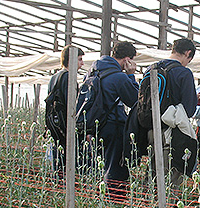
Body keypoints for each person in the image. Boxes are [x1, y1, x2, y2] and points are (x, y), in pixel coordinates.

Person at [88, 41, 139, 199]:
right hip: (113, 127)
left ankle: (99, 200)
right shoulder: (118, 77)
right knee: (115, 169)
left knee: (99, 166)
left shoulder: (93, 71)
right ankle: (114, 204)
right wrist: (131, 75)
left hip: (95, 127)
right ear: (126, 59)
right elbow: (135, 99)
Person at [147, 38, 197, 188]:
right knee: (171, 176)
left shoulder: (150, 69)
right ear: (188, 53)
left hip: (151, 129)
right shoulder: (184, 73)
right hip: (172, 134)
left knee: (154, 172)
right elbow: (189, 109)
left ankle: (151, 204)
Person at [47, 45, 85, 174]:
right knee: (69, 162)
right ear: (71, 60)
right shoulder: (68, 77)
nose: (82, 63)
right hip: (66, 128)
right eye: (79, 59)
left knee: (58, 160)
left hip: (56, 127)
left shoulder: (54, 77)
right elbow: (72, 106)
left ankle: (59, 186)